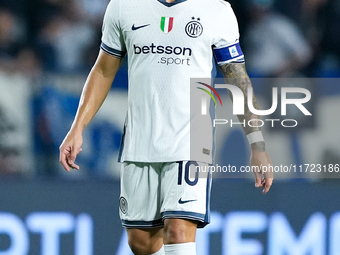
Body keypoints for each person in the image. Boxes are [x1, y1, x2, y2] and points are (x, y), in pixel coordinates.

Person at [59, 0, 274, 254]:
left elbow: (238, 79)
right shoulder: (123, 6)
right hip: (140, 139)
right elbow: (104, 70)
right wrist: (77, 127)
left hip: (193, 139)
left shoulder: (216, 9)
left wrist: (257, 144)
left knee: (178, 231)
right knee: (141, 242)